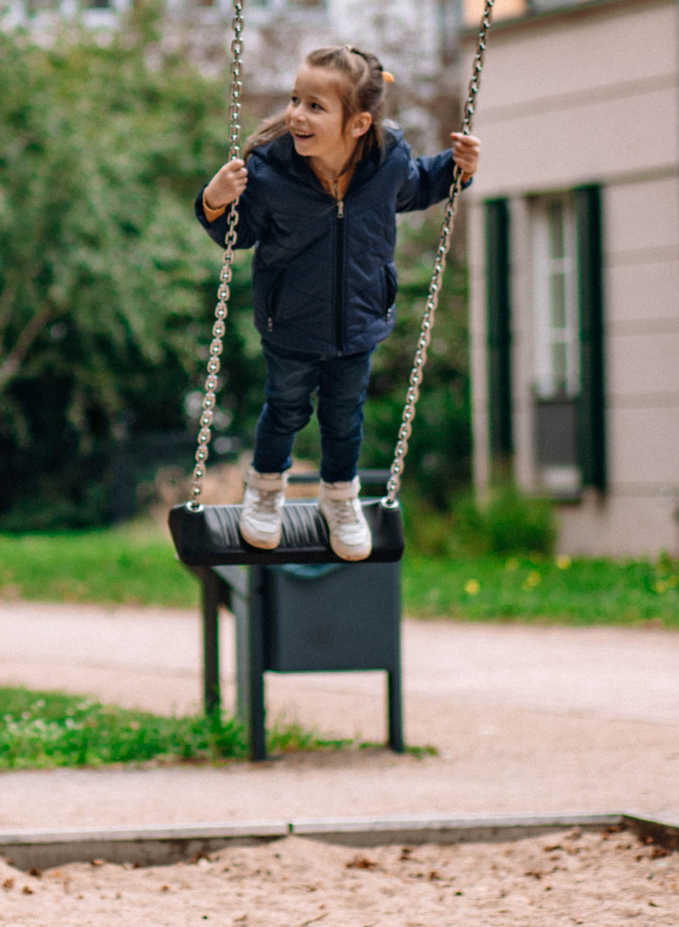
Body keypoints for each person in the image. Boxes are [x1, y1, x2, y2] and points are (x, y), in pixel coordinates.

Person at [197, 45, 480, 559]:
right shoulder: (269, 173)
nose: (296, 115)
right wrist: (216, 199)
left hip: (360, 319)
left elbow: (416, 187)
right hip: (291, 322)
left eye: (315, 106)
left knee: (344, 416)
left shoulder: (387, 161)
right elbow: (239, 233)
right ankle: (264, 494)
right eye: (295, 100)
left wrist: (458, 168)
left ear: (358, 123)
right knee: (284, 409)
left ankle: (339, 499)